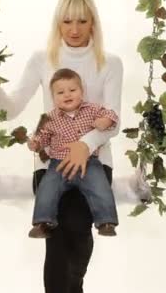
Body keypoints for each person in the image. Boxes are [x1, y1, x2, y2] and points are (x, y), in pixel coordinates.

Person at [0, 0, 124, 293]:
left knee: (79, 226)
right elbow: (11, 109)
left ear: (93, 25)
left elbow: (112, 120)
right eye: (67, 21)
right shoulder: (42, 60)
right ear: (58, 24)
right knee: (56, 233)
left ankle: (73, 286)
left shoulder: (110, 63)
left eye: (82, 21)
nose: (74, 30)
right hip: (53, 163)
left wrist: (85, 144)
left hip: (96, 162)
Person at [27, 68, 119, 238]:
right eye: (60, 92)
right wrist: (35, 143)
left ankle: (106, 221)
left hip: (88, 162)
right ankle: (43, 222)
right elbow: (42, 137)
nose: (67, 95)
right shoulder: (49, 118)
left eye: (72, 90)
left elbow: (112, 116)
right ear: (53, 98)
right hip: (59, 164)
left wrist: (104, 121)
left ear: (82, 92)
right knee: (47, 188)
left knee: (100, 186)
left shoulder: (92, 109)